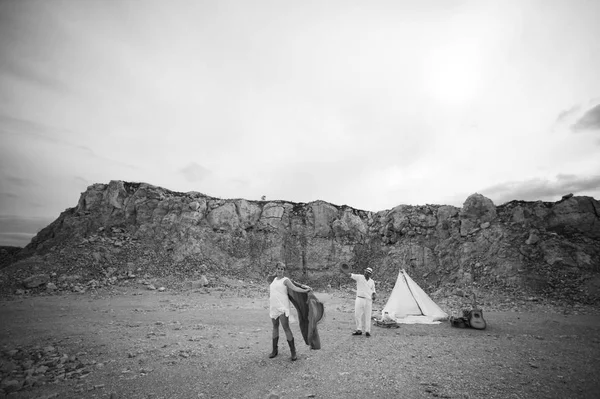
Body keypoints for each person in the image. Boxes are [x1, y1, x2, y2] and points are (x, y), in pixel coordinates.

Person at [268, 261, 312, 360]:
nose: (280, 270)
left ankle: (293, 352)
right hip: (273, 307)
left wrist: (305, 290)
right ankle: (274, 350)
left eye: (282, 269)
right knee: (275, 327)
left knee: (286, 328)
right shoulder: (274, 279)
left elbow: (295, 288)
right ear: (276, 269)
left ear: (284, 271)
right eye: (278, 268)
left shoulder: (286, 280)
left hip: (282, 307)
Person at [346, 266, 376, 337]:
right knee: (357, 315)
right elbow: (351, 275)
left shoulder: (372, 282)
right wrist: (345, 271)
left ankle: (367, 331)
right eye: (366, 272)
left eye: (368, 273)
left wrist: (374, 295)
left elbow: (373, 290)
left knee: (368, 316)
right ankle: (359, 330)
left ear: (370, 274)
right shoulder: (359, 277)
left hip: (368, 300)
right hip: (359, 298)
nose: (366, 273)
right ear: (364, 272)